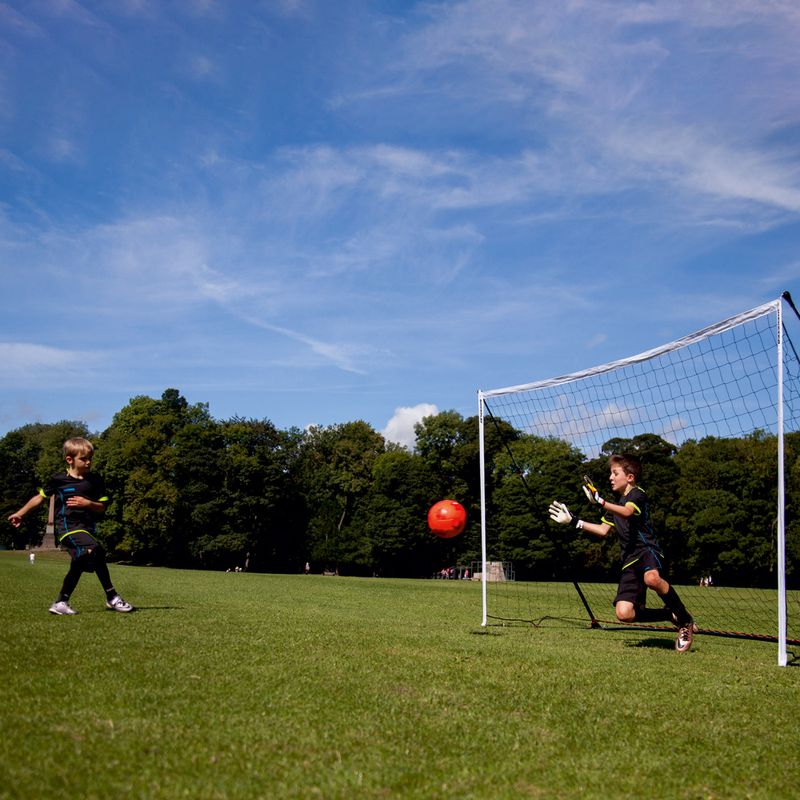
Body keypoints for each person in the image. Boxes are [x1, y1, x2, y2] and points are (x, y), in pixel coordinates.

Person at [549, 453, 695, 653]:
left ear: (630, 477)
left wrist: (600, 501)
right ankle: (670, 614)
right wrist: (575, 521)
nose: (610, 477)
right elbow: (602, 530)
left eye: (615, 473)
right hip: (629, 561)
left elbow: (627, 512)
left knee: (652, 578)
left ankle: (685, 621)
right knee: (624, 613)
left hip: (647, 551)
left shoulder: (637, 495)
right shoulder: (615, 506)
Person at [8, 437, 133, 615]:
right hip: (67, 528)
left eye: (90, 458)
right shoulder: (58, 480)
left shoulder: (96, 481)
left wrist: (87, 503)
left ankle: (61, 602)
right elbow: (40, 498)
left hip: (87, 529)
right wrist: (20, 513)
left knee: (81, 561)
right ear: (70, 460)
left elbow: (102, 508)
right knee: (96, 549)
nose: (89, 462)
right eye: (84, 459)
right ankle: (112, 597)